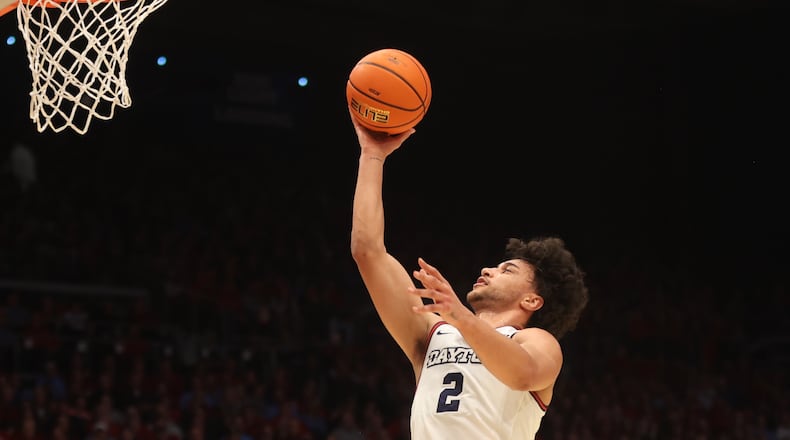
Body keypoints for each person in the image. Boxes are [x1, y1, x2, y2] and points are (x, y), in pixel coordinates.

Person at [348, 114, 590, 439]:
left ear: (532, 299)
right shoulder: (431, 334)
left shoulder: (535, 342)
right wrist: (372, 155)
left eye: (508, 270)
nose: (488, 270)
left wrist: (459, 315)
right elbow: (368, 251)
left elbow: (523, 374)